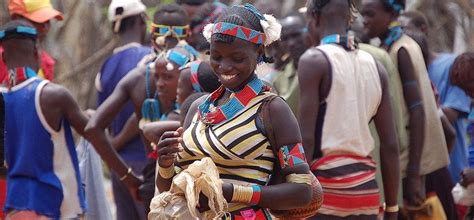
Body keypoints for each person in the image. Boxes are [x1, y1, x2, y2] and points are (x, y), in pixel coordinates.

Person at [156, 4, 316, 219]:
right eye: (216, 56)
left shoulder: (272, 110)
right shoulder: (198, 108)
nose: (225, 66)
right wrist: (165, 164)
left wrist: (233, 192)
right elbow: (169, 186)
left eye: (237, 58)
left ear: (259, 52)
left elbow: (301, 191)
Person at [0, 20, 141, 219]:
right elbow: (93, 132)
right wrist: (129, 178)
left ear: (4, 57)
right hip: (57, 206)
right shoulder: (52, 95)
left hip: (16, 207)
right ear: (36, 53)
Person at [299, 0, 400, 219]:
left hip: (325, 191)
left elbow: (306, 140)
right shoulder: (376, 66)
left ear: (314, 18)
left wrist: (293, 197)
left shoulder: (314, 60)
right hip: (367, 192)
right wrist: (392, 208)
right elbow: (391, 145)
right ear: (349, 19)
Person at [85, 46, 195, 214]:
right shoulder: (197, 77)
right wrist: (127, 177)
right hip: (168, 185)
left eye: (167, 77)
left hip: (162, 183)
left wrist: (126, 176)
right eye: (157, 77)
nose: (159, 85)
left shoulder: (138, 77)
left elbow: (95, 127)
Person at [361, 0, 449, 208]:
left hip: (408, 158)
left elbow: (417, 112)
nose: (364, 21)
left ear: (391, 13)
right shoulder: (391, 46)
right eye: (362, 15)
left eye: (371, 15)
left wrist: (413, 174)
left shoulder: (401, 50)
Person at [92, 0, 151, 219]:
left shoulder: (106, 66)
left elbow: (102, 121)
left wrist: (113, 147)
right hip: (145, 163)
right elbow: (146, 112)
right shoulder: (150, 59)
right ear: (141, 21)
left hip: (119, 168)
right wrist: (118, 142)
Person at [0, 0, 63, 83]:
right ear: (16, 19)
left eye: (48, 22)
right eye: (39, 21)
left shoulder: (47, 63)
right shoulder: (2, 57)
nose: (45, 28)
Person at [273, 13, 310, 116]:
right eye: (285, 38)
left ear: (309, 31)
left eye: (296, 35)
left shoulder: (326, 63)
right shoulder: (279, 80)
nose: (291, 43)